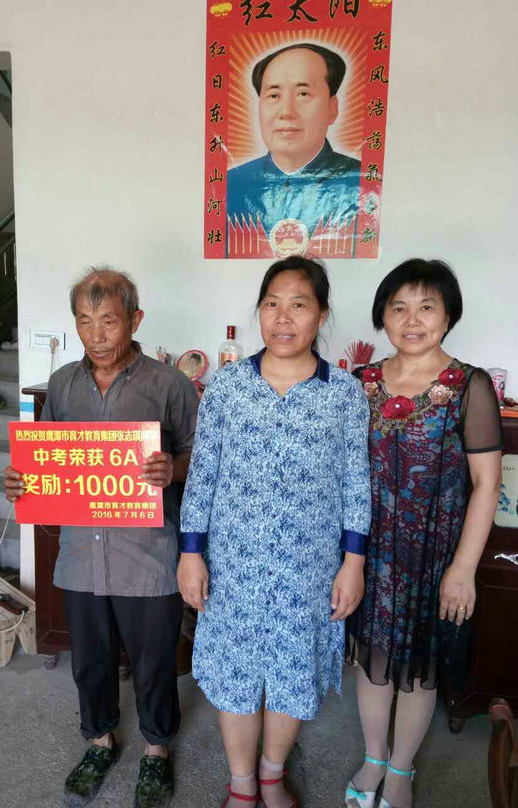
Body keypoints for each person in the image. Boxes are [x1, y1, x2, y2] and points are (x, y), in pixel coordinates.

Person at [177, 256, 372, 808]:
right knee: (235, 673)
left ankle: (271, 775)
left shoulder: (344, 393)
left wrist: (352, 563)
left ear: (321, 315)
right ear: (259, 311)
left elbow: (356, 482)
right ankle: (241, 785)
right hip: (232, 564)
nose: (283, 318)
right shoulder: (227, 387)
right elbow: (203, 476)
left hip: (308, 568)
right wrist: (191, 553)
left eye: (298, 305)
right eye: (271, 304)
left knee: (293, 670)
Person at [4, 268, 199, 808]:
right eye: (85, 322)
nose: (96, 335)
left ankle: (156, 748)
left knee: (153, 659)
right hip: (81, 554)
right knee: (89, 658)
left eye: (108, 321)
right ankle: (99, 740)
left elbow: (202, 457)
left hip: (148, 553)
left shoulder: (168, 384)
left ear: (135, 320)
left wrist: (172, 469)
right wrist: (22, 481)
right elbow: (47, 462)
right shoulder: (63, 384)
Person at [345, 259, 503, 808]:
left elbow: (486, 484)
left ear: (448, 316)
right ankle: (373, 758)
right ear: (383, 317)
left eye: (427, 307)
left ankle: (401, 769)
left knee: (420, 666)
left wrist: (463, 569)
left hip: (435, 553)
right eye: (399, 308)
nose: (412, 320)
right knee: (372, 659)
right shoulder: (360, 383)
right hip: (370, 553)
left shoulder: (469, 386)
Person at [226, 44, 360, 258]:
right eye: (273, 96)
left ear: (332, 108)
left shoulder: (361, 181)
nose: (286, 112)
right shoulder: (230, 184)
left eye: (303, 93)